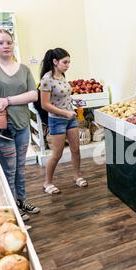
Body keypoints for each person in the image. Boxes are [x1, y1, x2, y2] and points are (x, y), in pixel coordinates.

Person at [0, 29, 40, 220]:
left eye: (9, 42)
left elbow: (33, 94)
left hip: (21, 124)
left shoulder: (24, 69)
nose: (6, 46)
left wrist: (8, 100)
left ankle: (22, 200)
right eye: (1, 42)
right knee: (8, 168)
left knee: (20, 166)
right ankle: (12, 207)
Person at [40, 48, 88, 194]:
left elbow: (63, 97)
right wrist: (65, 112)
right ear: (55, 62)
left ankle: (77, 176)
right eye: (65, 62)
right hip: (57, 120)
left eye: (69, 62)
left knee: (76, 150)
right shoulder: (47, 79)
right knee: (57, 154)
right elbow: (45, 105)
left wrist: (73, 106)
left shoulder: (62, 76)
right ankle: (47, 183)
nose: (68, 65)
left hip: (70, 118)